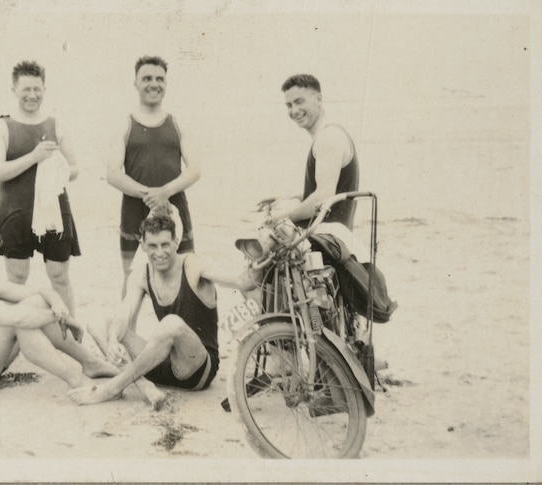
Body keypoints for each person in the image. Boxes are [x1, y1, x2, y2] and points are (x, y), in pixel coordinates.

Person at [69, 214, 258, 407]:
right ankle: (146, 387)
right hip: (159, 363)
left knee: (171, 323)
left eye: (165, 244)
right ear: (142, 245)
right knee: (99, 324)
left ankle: (112, 388)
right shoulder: (142, 275)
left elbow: (240, 282)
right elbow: (125, 313)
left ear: (176, 242)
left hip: (195, 369)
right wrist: (113, 339)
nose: (159, 252)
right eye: (152, 246)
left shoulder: (193, 265)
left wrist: (258, 262)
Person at [0, 225, 119, 396]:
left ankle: (89, 362)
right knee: (19, 321)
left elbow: (40, 292)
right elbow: (17, 319)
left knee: (34, 303)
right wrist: (61, 318)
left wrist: (59, 305)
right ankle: (75, 377)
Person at [0, 60, 81, 315]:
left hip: (53, 209)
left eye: (37, 89)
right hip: (15, 209)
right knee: (16, 277)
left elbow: (74, 170)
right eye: (26, 89)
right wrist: (34, 157)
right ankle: (12, 337)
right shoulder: (3, 126)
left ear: (44, 89)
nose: (32, 95)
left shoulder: (56, 123)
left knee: (59, 275)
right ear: (14, 90)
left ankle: (72, 335)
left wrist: (57, 165)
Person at [106, 55, 201, 293]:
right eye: (146, 78)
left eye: (160, 79)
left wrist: (165, 193)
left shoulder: (177, 123)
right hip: (134, 210)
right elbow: (113, 174)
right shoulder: (124, 124)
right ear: (135, 83)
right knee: (132, 277)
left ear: (166, 83)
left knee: (186, 273)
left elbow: (195, 169)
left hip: (175, 207)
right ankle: (127, 330)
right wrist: (151, 195)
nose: (153, 84)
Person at [264, 74, 359, 230]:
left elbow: (323, 197)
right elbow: (330, 192)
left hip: (329, 239)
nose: (294, 110)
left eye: (299, 102)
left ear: (319, 99)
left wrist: (280, 219)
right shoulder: (330, 135)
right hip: (331, 235)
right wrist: (287, 199)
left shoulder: (328, 137)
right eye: (289, 105)